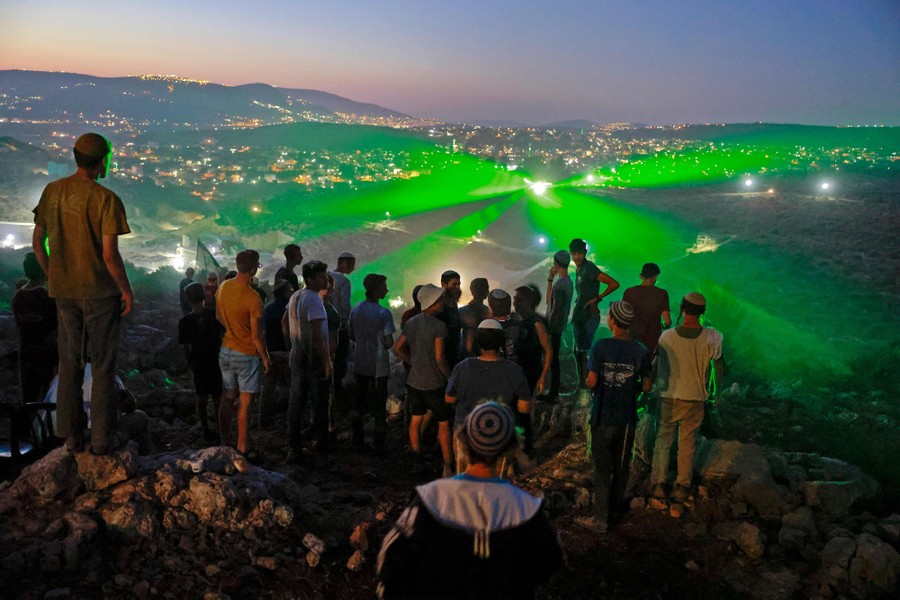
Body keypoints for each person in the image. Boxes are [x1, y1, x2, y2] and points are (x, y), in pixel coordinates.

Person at [376, 402, 562, 599]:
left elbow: (390, 562)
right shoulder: (526, 508)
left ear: (463, 442)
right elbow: (549, 561)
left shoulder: (431, 498)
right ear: (510, 448)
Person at [32, 132, 133, 455]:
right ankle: (102, 439)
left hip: (65, 293)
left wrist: (53, 275)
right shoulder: (106, 199)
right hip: (100, 294)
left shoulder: (52, 192)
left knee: (69, 362)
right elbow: (108, 255)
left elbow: (38, 241)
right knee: (102, 365)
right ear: (102, 162)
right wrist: (126, 290)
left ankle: (72, 437)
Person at [577, 301, 652, 533]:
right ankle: (616, 511)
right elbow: (647, 386)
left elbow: (592, 381)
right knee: (621, 466)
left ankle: (600, 520)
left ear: (612, 321)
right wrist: (631, 388)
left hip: (603, 415)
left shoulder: (601, 346)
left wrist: (590, 384)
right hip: (627, 418)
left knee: (602, 468)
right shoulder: (641, 350)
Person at [650, 292, 725, 502]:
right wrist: (715, 394)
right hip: (695, 398)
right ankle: (682, 486)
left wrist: (650, 388)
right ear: (703, 312)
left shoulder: (667, 337)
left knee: (663, 439)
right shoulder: (712, 337)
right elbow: (717, 369)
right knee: (688, 443)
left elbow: (657, 367)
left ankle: (658, 484)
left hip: (668, 397)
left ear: (682, 308)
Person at [445, 319, 531, 472]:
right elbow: (524, 408)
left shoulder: (464, 366)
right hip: (501, 435)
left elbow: (449, 398)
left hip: (467, 434)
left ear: (478, 342)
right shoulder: (514, 370)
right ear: (501, 342)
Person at [393, 284, 453, 477]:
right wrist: (450, 378)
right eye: (440, 299)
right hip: (434, 383)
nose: (443, 302)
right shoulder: (439, 326)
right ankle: (447, 465)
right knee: (444, 424)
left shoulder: (411, 322)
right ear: (433, 303)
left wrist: (414, 361)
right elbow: (439, 357)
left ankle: (416, 460)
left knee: (415, 421)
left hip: (414, 382)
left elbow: (397, 348)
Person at [216, 249, 270, 457]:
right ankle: (242, 447)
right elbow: (256, 336)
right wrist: (265, 358)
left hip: (225, 350)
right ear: (254, 269)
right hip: (246, 354)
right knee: (245, 403)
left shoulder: (224, 286)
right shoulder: (253, 298)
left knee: (228, 396)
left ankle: (223, 441)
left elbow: (219, 316)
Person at [284, 260, 333, 465]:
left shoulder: (296, 296)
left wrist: (292, 346)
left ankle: (294, 449)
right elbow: (316, 333)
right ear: (310, 279)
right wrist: (327, 361)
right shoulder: (313, 299)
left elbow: (283, 324)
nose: (325, 279)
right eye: (321, 276)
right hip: (312, 358)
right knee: (319, 405)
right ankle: (321, 451)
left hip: (297, 355)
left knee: (296, 403)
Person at [349, 273, 396, 452]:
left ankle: (357, 440)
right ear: (376, 290)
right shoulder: (384, 312)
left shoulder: (356, 308)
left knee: (359, 403)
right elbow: (389, 341)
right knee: (378, 406)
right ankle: (379, 444)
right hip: (379, 366)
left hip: (360, 361)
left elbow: (351, 334)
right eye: (384, 287)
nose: (387, 289)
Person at [569, 238, 619, 389]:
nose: (576, 257)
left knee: (584, 352)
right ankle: (584, 384)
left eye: (579, 253)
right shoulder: (579, 269)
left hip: (589, 316)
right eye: (573, 253)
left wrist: (597, 299)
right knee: (578, 352)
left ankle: (588, 386)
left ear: (585, 253)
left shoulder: (589, 268)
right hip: (580, 314)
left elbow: (614, 283)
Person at [178, 282, 225, 442]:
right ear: (204, 295)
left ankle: (205, 429)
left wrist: (189, 363)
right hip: (215, 360)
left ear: (187, 299)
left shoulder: (185, 321)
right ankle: (221, 430)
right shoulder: (212, 315)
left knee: (202, 398)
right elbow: (223, 334)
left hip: (198, 363)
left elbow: (185, 346)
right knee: (218, 398)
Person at [12, 252, 58, 406]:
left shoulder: (18, 296)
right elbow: (55, 329)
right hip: (47, 357)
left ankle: (25, 428)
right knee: (48, 399)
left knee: (27, 399)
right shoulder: (47, 297)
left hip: (26, 354)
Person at [512, 284, 552, 455]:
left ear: (529, 301)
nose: (515, 302)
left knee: (524, 413)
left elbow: (548, 350)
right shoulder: (515, 320)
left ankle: (527, 449)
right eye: (514, 299)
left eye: (519, 299)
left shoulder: (536, 323)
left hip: (529, 373)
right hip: (514, 372)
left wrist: (543, 376)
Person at [259, 279, 292, 427]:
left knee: (269, 385)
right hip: (285, 351)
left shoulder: (267, 308)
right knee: (290, 384)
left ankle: (265, 418)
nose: (291, 292)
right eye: (289, 289)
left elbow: (263, 331)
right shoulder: (289, 308)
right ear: (284, 292)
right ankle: (290, 417)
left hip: (270, 351)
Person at [622, 262, 671, 356]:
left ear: (641, 276)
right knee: (650, 367)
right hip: (653, 340)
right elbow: (668, 321)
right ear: (656, 277)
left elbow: (623, 317)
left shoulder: (629, 292)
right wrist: (663, 325)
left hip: (633, 338)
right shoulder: (662, 294)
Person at [545, 250, 573, 402]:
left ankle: (553, 392)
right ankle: (553, 391)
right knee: (553, 359)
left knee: (553, 360)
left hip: (554, 327)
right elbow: (550, 303)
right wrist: (549, 280)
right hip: (559, 326)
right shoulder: (567, 282)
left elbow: (554, 308)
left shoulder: (561, 284)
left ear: (555, 264)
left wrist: (549, 328)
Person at [330, 251, 356, 392]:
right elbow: (345, 306)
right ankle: (337, 390)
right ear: (344, 263)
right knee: (340, 361)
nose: (353, 268)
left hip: (325, 326)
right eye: (352, 265)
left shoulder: (327, 276)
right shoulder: (344, 281)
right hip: (340, 327)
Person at [436, 270, 463, 368]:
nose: (457, 287)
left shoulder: (454, 304)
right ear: (444, 285)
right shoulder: (438, 305)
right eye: (454, 284)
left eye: (459, 284)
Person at [458, 277, 490, 358]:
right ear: (486, 292)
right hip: (481, 354)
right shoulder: (489, 312)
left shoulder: (462, 311)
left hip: (467, 354)